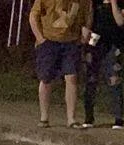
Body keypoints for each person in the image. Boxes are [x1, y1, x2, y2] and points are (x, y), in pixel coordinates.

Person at [29, 0, 92, 128]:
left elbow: (87, 16)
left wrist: (85, 34)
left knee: (72, 77)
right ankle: (44, 117)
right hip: (49, 41)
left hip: (71, 42)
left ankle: (71, 118)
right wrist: (40, 39)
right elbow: (33, 16)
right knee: (46, 78)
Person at [82, 0, 124, 128]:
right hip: (95, 40)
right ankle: (88, 117)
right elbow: (90, 19)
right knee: (91, 79)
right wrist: (86, 35)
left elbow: (120, 21)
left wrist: (113, 3)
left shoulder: (122, 3)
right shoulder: (95, 2)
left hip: (113, 42)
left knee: (114, 79)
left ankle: (118, 118)